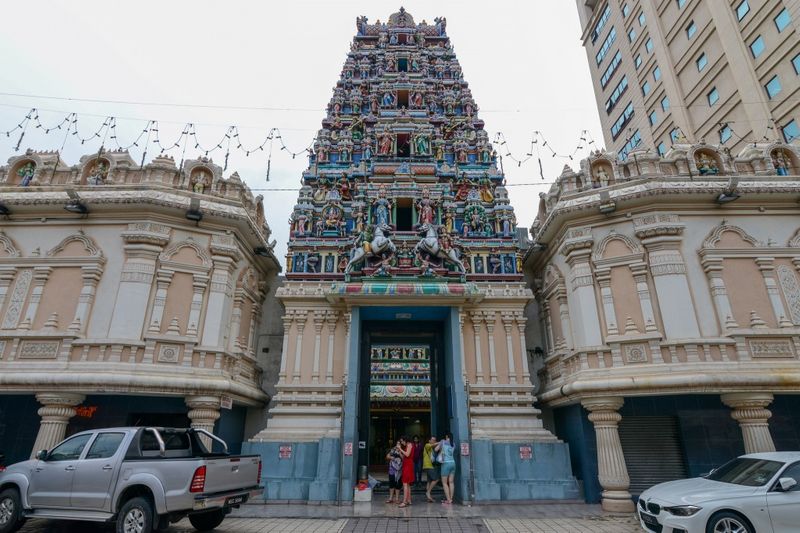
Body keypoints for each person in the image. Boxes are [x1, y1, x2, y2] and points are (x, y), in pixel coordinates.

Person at [435, 432, 456, 505]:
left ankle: (448, 500)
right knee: (451, 482)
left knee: (444, 483)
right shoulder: (453, 444)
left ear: (446, 436)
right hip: (453, 463)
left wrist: (440, 444)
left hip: (445, 463)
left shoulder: (443, 442)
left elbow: (435, 449)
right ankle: (451, 499)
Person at [422, 436, 440, 502]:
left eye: (435, 440)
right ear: (429, 441)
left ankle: (428, 498)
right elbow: (433, 445)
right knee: (436, 479)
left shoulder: (433, 448)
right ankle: (428, 492)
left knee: (429, 481)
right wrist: (440, 442)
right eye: (432, 440)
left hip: (430, 466)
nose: (433, 441)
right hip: (428, 465)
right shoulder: (427, 445)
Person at [398, 435, 414, 508]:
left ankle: (404, 501)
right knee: (407, 484)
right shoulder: (408, 445)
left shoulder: (409, 444)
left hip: (408, 465)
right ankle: (409, 500)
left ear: (405, 440)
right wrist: (400, 452)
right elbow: (404, 456)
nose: (401, 443)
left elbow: (407, 454)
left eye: (402, 441)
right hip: (406, 464)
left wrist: (400, 449)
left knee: (405, 483)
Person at [385, 440, 403, 504]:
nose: (398, 445)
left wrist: (400, 451)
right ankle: (390, 498)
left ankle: (397, 499)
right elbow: (387, 456)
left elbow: (404, 458)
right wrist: (390, 457)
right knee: (391, 483)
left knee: (398, 484)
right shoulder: (393, 449)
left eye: (399, 444)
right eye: (397, 443)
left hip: (399, 470)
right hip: (392, 469)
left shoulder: (403, 450)